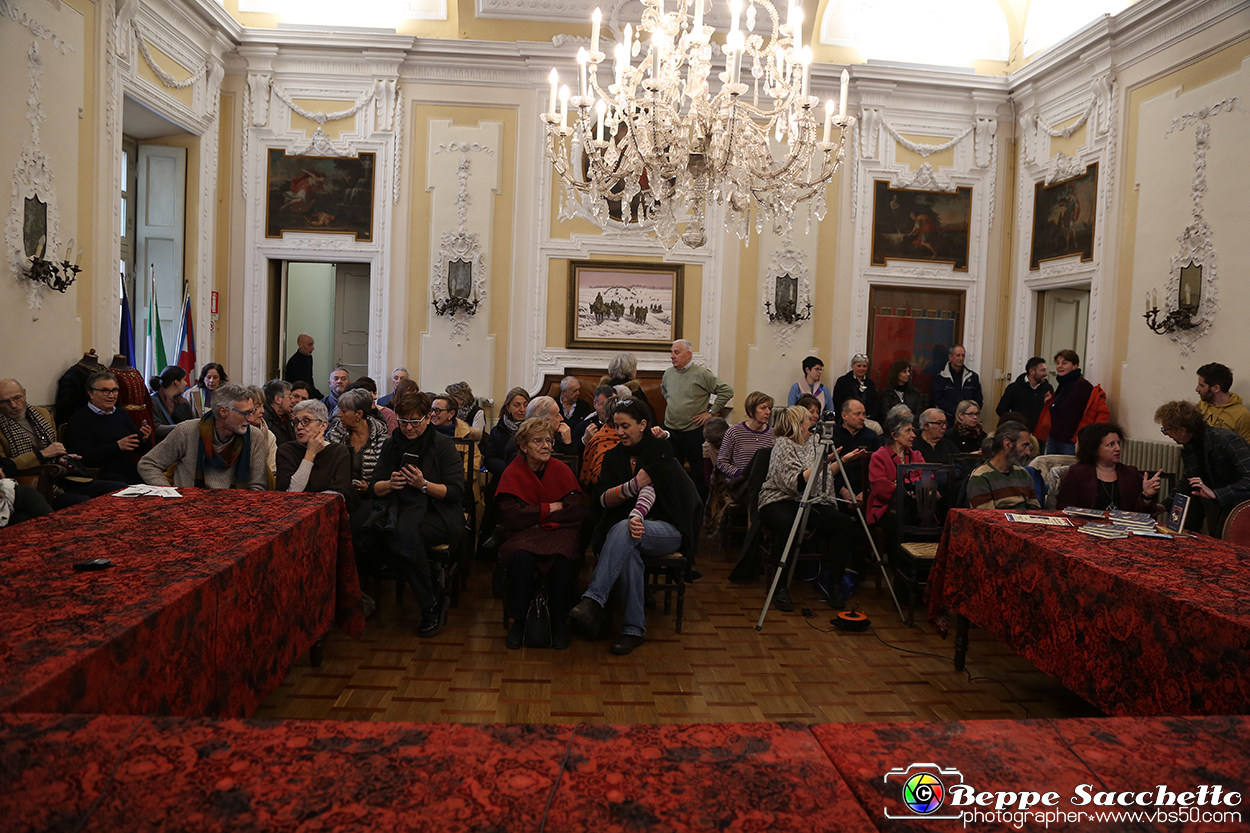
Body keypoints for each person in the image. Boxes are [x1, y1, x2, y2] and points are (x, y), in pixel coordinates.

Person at [569, 398, 700, 655]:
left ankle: (593, 600)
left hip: (665, 528)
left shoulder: (659, 449)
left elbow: (649, 490)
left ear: (642, 425)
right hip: (631, 530)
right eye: (616, 426)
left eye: (625, 426)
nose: (619, 432)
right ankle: (632, 630)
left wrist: (636, 515)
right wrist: (630, 487)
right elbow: (603, 499)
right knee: (628, 549)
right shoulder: (612, 456)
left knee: (623, 528)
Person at [366, 391, 465, 637]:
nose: (408, 428)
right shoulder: (391, 444)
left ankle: (429, 604)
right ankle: (433, 596)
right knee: (388, 534)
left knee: (403, 537)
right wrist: (391, 483)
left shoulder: (442, 445)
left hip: (438, 512)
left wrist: (423, 485)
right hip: (398, 508)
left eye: (414, 422)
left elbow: (455, 492)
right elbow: (373, 487)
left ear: (427, 419)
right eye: (402, 421)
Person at [757, 406, 865, 612]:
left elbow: (821, 478)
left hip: (810, 500)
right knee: (788, 523)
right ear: (797, 423)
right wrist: (823, 462)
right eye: (808, 417)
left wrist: (841, 461)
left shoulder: (814, 443)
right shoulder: (783, 444)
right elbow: (794, 483)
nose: (814, 419)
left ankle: (834, 583)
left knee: (843, 523)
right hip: (780, 499)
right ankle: (780, 586)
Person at [497, 417, 586, 650]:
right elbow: (513, 516)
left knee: (564, 558)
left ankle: (558, 622)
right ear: (524, 447)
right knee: (522, 558)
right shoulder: (513, 472)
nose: (546, 445)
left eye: (549, 440)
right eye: (538, 441)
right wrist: (550, 507)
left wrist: (538, 518)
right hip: (523, 534)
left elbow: (575, 512)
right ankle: (519, 621)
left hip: (557, 532)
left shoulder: (561, 469)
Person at [0, 378, 128, 506]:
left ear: (24, 393)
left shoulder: (41, 414)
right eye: (5, 402)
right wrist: (42, 455)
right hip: (34, 484)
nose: (13, 405)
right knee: (85, 503)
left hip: (60, 477)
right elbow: (6, 467)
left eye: (17, 398)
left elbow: (54, 448)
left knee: (120, 488)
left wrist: (63, 458)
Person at [137, 382, 268, 489]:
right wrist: (169, 494)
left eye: (252, 412)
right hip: (189, 508)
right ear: (223, 411)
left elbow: (258, 486)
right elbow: (148, 464)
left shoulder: (255, 436)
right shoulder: (187, 431)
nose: (251, 419)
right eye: (245, 413)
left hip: (236, 509)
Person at [1156, 400, 1250, 538]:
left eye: (1166, 430)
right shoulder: (1190, 444)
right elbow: (1189, 478)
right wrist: (1164, 505)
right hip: (1220, 503)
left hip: (1240, 504)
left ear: (1182, 430)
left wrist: (1216, 494)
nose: (1166, 434)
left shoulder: (1227, 440)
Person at [662, 339, 734, 503]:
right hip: (671, 431)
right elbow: (665, 391)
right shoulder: (668, 373)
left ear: (688, 355)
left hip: (693, 432)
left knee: (700, 475)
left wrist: (710, 412)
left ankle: (701, 511)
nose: (672, 356)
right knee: (672, 474)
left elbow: (727, 391)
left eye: (676, 352)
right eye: (671, 352)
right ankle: (677, 508)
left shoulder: (701, 374)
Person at [64, 371, 153, 485]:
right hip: (102, 475)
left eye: (114, 390)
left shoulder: (120, 413)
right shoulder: (80, 419)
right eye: (105, 391)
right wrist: (117, 446)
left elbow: (140, 448)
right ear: (90, 393)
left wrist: (144, 438)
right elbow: (82, 457)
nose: (111, 396)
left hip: (129, 471)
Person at [1055, 422, 1163, 514]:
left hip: (1123, 531)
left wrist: (1146, 496)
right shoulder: (1077, 472)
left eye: (1118, 443)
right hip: (1086, 530)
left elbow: (1141, 515)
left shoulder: (1130, 473)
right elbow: (1064, 507)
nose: (1118, 448)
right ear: (1095, 450)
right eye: (1111, 445)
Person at [275, 398, 359, 512]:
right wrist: (310, 454)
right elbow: (290, 494)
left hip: (327, 513)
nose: (299, 427)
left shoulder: (339, 452)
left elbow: (341, 494)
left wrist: (310, 505)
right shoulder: (285, 450)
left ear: (323, 426)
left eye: (306, 421)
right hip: (291, 514)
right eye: (296, 422)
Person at [326, 387, 389, 528]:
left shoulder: (382, 438)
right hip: (339, 494)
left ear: (358, 414)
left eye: (344, 411)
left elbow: (386, 473)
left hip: (372, 497)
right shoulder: (335, 434)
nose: (338, 415)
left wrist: (370, 486)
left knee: (361, 523)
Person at [865, 410, 927, 525]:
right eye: (908, 431)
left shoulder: (916, 455)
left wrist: (899, 485)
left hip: (918, 506)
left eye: (912, 430)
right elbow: (880, 488)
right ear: (894, 435)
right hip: (887, 508)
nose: (913, 435)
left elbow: (927, 480)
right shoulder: (879, 456)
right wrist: (910, 489)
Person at [966, 422, 1041, 510]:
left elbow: (1035, 509)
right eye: (1024, 445)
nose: (1028, 452)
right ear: (1007, 444)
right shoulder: (981, 477)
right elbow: (986, 517)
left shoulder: (1023, 474)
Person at [1040, 349, 1100, 455]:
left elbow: (1085, 412)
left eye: (1064, 363)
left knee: (1067, 471)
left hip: (1070, 442)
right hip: (1054, 438)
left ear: (1075, 366)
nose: (1059, 366)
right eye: (1058, 363)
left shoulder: (1082, 385)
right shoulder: (1063, 383)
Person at [829, 398, 881, 502]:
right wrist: (842, 490)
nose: (862, 418)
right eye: (857, 414)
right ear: (844, 416)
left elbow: (878, 468)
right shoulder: (831, 435)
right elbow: (825, 469)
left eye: (864, 414)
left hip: (865, 492)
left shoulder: (872, 436)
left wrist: (867, 491)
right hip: (836, 491)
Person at [716, 391, 775, 482]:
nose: (768, 412)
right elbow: (721, 462)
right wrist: (741, 475)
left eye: (769, 408)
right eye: (763, 408)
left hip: (763, 484)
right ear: (751, 411)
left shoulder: (773, 434)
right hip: (739, 484)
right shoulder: (734, 431)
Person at [1196, 362, 1250, 443]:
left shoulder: (1242, 415)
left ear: (1216, 388)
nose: (1197, 389)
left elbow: (1245, 450)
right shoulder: (1202, 404)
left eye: (1202, 385)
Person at [484, 387, 530, 478]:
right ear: (508, 408)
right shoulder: (497, 431)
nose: (522, 409)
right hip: (504, 476)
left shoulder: (535, 429)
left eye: (526, 405)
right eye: (517, 405)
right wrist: (510, 470)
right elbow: (490, 460)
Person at [996, 357, 1052, 432]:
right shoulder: (1014, 388)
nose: (1046, 373)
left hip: (1041, 433)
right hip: (1020, 432)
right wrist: (1015, 423)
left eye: (1046, 370)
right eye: (1042, 370)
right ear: (1032, 371)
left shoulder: (1047, 388)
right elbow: (1001, 409)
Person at [930, 345, 983, 422]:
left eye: (963, 355)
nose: (961, 358)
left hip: (968, 420)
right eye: (958, 355)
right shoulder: (940, 377)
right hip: (946, 419)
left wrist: (968, 413)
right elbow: (937, 399)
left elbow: (978, 399)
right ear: (950, 357)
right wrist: (957, 412)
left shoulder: (973, 377)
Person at [148, 366, 194, 441]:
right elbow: (155, 428)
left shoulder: (183, 401)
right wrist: (181, 427)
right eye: (184, 380)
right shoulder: (153, 400)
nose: (186, 383)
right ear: (176, 382)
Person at [832, 354, 879, 423]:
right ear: (852, 366)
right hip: (847, 420)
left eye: (864, 366)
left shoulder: (870, 383)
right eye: (859, 366)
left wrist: (869, 417)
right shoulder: (843, 381)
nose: (862, 369)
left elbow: (875, 403)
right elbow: (838, 402)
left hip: (867, 420)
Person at [246, 384, 279, 483]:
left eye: (262, 406)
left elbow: (273, 470)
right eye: (257, 406)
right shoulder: (235, 432)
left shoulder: (269, 436)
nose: (262, 411)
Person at [878, 360, 922, 425]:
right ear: (896, 373)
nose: (908, 374)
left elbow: (919, 412)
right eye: (904, 372)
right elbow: (885, 414)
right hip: (893, 427)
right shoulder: (886, 393)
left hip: (912, 427)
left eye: (908, 371)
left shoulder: (914, 393)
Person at [283, 333, 323, 400]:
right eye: (309, 345)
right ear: (300, 345)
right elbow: (303, 384)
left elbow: (310, 380)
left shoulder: (309, 357)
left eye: (312, 345)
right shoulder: (294, 362)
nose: (312, 348)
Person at [262, 379, 295, 448]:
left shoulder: (287, 418)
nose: (293, 401)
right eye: (290, 397)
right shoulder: (264, 418)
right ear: (277, 399)